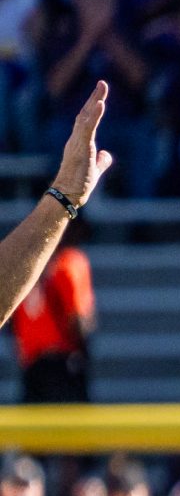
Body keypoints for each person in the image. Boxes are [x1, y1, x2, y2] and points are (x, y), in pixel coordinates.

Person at [1, 81, 109, 341]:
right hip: (57, 363)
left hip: (40, 365)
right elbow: (80, 326)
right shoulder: (71, 264)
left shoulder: (68, 262)